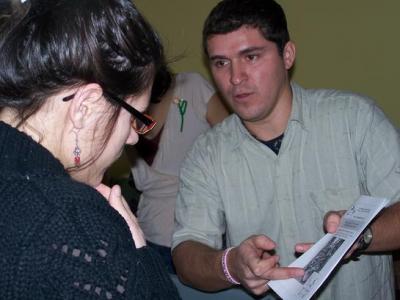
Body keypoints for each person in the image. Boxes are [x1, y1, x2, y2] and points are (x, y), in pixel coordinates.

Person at [171, 0, 400, 299]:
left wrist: (362, 235)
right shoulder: (207, 155)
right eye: (221, 63)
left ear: (287, 55)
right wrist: (230, 265)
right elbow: (186, 250)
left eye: (250, 57)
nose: (235, 77)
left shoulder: (355, 119)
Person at [0, 0, 180, 298]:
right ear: (86, 107)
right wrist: (138, 254)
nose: (133, 139)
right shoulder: (72, 222)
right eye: (135, 118)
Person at [128, 70, 229, 274]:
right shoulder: (122, 103)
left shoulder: (189, 85)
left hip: (196, 236)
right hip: (147, 236)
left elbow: (234, 144)